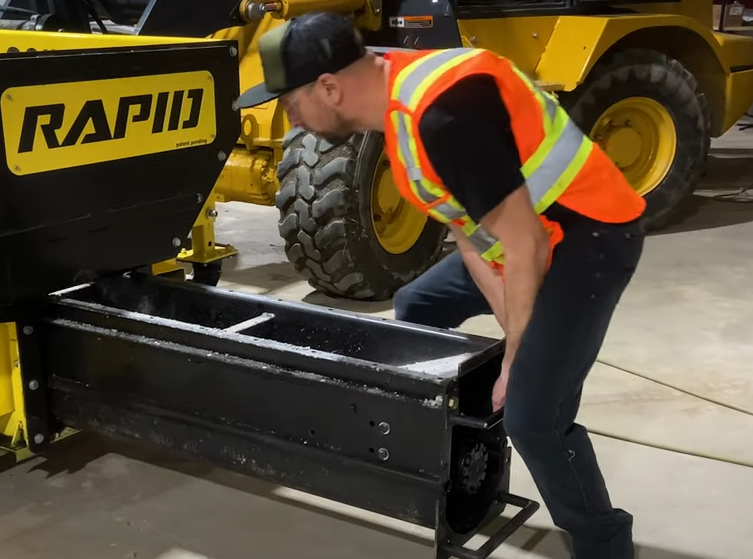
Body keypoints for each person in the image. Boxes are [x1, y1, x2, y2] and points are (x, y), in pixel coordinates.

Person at [237, 10, 646, 559]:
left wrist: (518, 358)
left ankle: (605, 543)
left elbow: (528, 244)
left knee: (535, 419)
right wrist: (513, 324)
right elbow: (472, 236)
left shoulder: (442, 117)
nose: (294, 121)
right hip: (526, 236)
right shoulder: (394, 106)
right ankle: (457, 451)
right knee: (419, 302)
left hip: (590, 234)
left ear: (329, 88)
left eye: (291, 104)